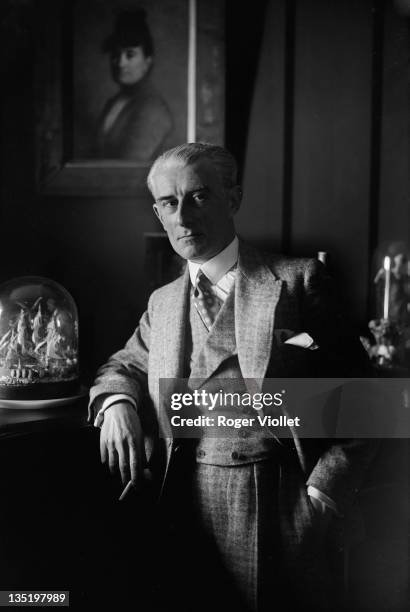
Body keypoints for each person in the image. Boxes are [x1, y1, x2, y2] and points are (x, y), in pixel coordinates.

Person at [89, 143, 376, 612]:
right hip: (177, 507)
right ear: (158, 213)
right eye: (168, 202)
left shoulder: (298, 281)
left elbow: (366, 399)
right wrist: (116, 404)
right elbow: (121, 366)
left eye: (198, 196)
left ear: (234, 198)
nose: (182, 216)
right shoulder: (162, 303)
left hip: (274, 508)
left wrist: (324, 494)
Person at [94, 9, 173, 161]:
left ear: (147, 62)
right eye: (116, 55)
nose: (121, 63)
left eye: (130, 55)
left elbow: (128, 169)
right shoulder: (114, 102)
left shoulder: (152, 108)